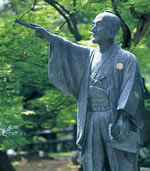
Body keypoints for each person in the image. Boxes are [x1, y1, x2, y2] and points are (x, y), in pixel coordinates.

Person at [34, 11, 144, 171]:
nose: (93, 29)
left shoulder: (126, 58)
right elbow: (69, 48)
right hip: (91, 118)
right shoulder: (89, 56)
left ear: (112, 30)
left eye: (98, 25)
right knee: (92, 163)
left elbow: (132, 87)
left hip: (115, 118)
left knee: (120, 162)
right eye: (93, 24)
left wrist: (124, 117)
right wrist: (49, 37)